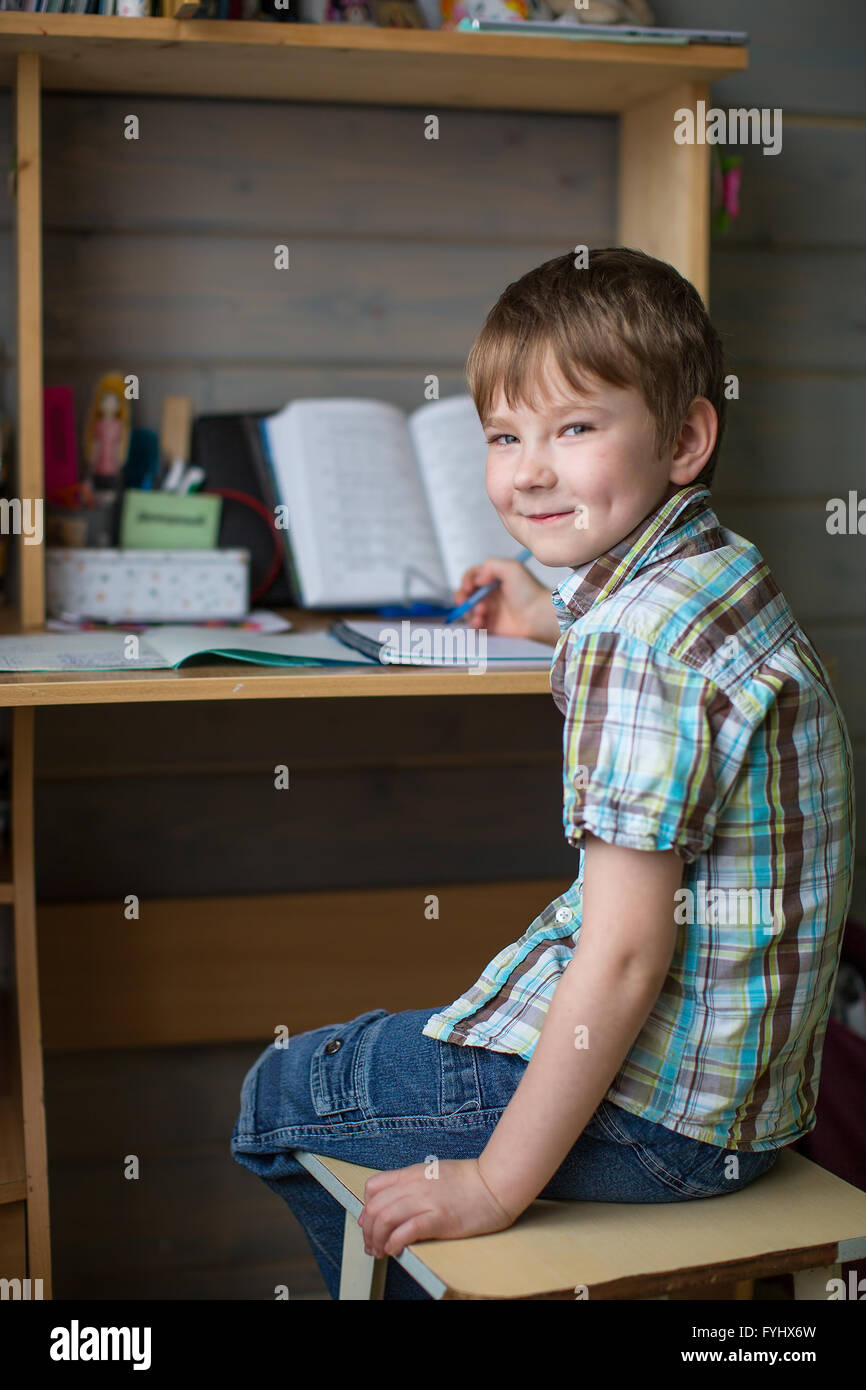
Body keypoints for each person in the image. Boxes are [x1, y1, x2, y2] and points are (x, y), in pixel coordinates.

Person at [231, 247, 855, 1300]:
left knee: (281, 1095)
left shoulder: (637, 643)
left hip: (663, 1122)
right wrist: (537, 606)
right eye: (505, 435)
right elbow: (641, 630)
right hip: (753, 1097)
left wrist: (490, 1185)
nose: (527, 470)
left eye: (573, 428)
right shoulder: (710, 574)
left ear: (686, 436)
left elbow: (617, 958)